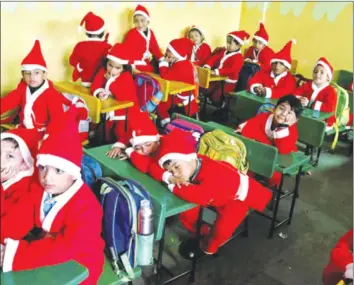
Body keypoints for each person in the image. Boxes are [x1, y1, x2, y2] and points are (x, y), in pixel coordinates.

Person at [0, 108, 105, 285]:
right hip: (47, 255)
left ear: (73, 173)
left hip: (81, 264)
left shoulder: (87, 207)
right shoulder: (39, 188)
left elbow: (65, 248)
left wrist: (14, 255)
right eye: (42, 168)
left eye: (58, 170)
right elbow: (19, 218)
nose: (47, 177)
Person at [156, 130, 272, 254]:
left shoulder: (211, 174)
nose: (175, 173)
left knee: (221, 230)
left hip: (237, 198)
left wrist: (173, 185)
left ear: (189, 158)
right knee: (187, 212)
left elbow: (200, 196)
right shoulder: (197, 161)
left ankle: (208, 247)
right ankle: (200, 231)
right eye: (171, 171)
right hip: (216, 191)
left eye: (176, 167)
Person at [0, 40, 65, 137]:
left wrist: (48, 138)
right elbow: (7, 102)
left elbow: (57, 121)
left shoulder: (52, 95)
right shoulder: (22, 89)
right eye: (28, 73)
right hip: (24, 129)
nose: (32, 77)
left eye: (37, 73)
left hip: (43, 134)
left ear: (44, 75)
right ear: (23, 74)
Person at [237, 95, 303, 187]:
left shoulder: (292, 131)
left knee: (273, 175)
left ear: (295, 120)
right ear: (274, 108)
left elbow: (283, 150)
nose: (283, 113)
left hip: (279, 160)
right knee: (247, 166)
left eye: (289, 113)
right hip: (258, 154)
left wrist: (283, 128)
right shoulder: (263, 117)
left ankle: (265, 186)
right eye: (281, 108)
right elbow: (247, 130)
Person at [203, 30, 249, 107]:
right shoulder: (224, 51)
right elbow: (214, 58)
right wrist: (207, 66)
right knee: (206, 90)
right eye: (227, 42)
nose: (227, 45)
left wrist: (217, 71)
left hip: (228, 82)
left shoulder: (239, 57)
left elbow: (233, 70)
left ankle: (223, 106)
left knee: (216, 97)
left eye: (230, 43)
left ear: (238, 45)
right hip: (219, 79)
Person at [69, 11, 112, 87]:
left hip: (84, 82)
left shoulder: (80, 46)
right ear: (102, 32)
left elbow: (72, 61)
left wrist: (80, 67)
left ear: (86, 33)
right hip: (101, 83)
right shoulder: (108, 46)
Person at [295, 57, 337, 128]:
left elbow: (329, 107)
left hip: (324, 120)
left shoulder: (330, 91)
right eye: (315, 71)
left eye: (322, 72)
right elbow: (295, 93)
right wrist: (300, 100)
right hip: (307, 115)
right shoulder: (307, 84)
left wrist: (309, 104)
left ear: (328, 77)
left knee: (311, 127)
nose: (317, 74)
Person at [123, 4, 164, 72]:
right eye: (136, 21)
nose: (139, 24)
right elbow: (127, 50)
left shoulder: (151, 32)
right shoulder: (131, 34)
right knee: (151, 71)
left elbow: (155, 48)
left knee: (159, 66)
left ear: (148, 21)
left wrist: (162, 59)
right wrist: (131, 65)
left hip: (145, 61)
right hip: (135, 62)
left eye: (142, 21)